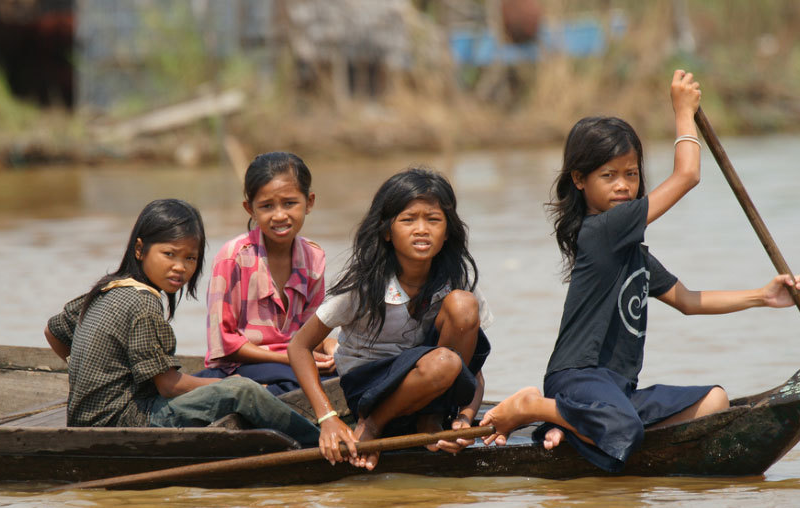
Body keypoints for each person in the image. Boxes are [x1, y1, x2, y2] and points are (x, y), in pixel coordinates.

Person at [479, 70, 800, 472]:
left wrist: (762, 296)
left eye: (631, 174)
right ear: (579, 180)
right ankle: (537, 407)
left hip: (616, 390)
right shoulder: (602, 231)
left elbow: (687, 301)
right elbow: (687, 175)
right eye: (609, 175)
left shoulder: (631, 252)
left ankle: (576, 425)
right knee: (625, 429)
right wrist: (682, 111)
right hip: (578, 379)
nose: (623, 186)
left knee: (715, 402)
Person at [43, 198, 319, 447]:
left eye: (190, 258)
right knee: (242, 389)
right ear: (140, 249)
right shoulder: (142, 302)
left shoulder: (108, 287)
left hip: (85, 420)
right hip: (126, 422)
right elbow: (169, 386)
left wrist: (91, 373)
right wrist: (232, 383)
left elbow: (54, 331)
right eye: (169, 254)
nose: (180, 267)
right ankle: (320, 445)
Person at [288, 168, 493, 470]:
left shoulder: (458, 283)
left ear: (447, 231)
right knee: (444, 363)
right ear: (387, 231)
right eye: (408, 220)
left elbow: (472, 370)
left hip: (433, 386)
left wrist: (464, 418)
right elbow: (299, 346)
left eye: (433, 220)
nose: (421, 229)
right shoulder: (363, 287)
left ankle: (431, 417)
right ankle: (373, 426)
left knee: (463, 306)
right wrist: (328, 417)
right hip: (370, 391)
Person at [198, 151, 335, 395]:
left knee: (350, 372)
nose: (280, 215)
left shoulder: (314, 258)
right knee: (296, 381)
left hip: (293, 363)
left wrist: (331, 346)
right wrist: (292, 359)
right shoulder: (234, 257)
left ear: (309, 202)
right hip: (239, 366)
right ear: (250, 209)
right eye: (267, 206)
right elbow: (225, 343)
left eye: (290, 203)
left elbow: (310, 330)